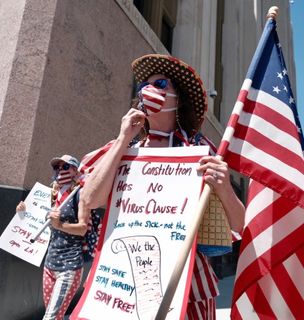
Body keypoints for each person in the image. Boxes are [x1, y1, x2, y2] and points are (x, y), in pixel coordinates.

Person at [79, 54, 245, 319]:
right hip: (122, 284)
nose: (148, 89)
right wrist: (123, 138)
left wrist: (223, 186)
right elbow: (90, 199)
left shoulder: (200, 153)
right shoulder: (123, 149)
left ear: (178, 99)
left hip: (190, 289)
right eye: (143, 85)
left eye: (160, 84)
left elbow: (239, 224)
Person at [16, 155, 90, 320]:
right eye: (57, 167)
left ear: (75, 170)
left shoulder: (80, 194)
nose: (59, 171)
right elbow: (39, 223)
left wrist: (60, 225)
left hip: (69, 266)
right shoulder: (52, 195)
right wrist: (22, 213)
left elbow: (83, 228)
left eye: (65, 167)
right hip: (50, 265)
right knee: (56, 316)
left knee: (50, 317)